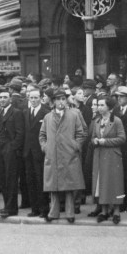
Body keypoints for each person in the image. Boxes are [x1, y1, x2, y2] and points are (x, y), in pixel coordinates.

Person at [39, 88, 87, 223]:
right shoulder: (48, 117)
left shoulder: (73, 115)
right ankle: (53, 212)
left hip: (69, 154)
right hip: (52, 155)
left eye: (63, 99)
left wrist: (76, 146)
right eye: (58, 99)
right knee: (53, 186)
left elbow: (81, 133)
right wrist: (45, 147)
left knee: (69, 186)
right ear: (53, 101)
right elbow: (42, 135)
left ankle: (70, 213)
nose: (61, 102)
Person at [90, 95, 126, 224]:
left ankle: (116, 211)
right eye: (98, 105)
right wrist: (94, 140)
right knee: (101, 182)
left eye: (101, 105)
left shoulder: (116, 121)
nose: (99, 107)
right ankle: (104, 211)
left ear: (109, 108)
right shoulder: (97, 121)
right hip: (99, 156)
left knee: (114, 182)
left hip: (112, 156)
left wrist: (105, 141)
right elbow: (93, 136)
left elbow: (122, 138)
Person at [0, 90, 25, 218]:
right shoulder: (0, 112)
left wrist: (12, 147)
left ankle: (11, 208)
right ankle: (7, 205)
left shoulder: (16, 113)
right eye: (0, 97)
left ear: (10, 99)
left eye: (5, 97)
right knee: (2, 178)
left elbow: (20, 133)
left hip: (10, 150)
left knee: (10, 179)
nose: (2, 99)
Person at [23, 88, 51, 218]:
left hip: (40, 152)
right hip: (28, 152)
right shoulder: (26, 112)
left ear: (40, 98)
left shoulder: (46, 112)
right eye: (31, 98)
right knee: (31, 180)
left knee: (41, 181)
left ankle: (44, 209)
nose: (33, 100)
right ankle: (34, 208)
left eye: (36, 97)